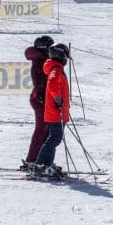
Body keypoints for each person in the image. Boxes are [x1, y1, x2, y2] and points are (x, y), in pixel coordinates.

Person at [32, 43, 70, 178]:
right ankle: (40, 165)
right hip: (55, 112)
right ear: (61, 55)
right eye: (66, 55)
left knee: (54, 139)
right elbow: (53, 84)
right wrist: (58, 99)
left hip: (57, 112)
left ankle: (47, 165)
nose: (66, 58)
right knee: (54, 138)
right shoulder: (56, 69)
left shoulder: (56, 68)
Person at [22, 35, 54, 172]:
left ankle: (40, 160)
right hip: (40, 99)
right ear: (44, 48)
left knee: (46, 131)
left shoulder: (42, 60)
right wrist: (42, 95)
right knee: (41, 130)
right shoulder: (40, 62)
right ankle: (32, 160)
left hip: (43, 98)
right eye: (50, 48)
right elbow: (40, 81)